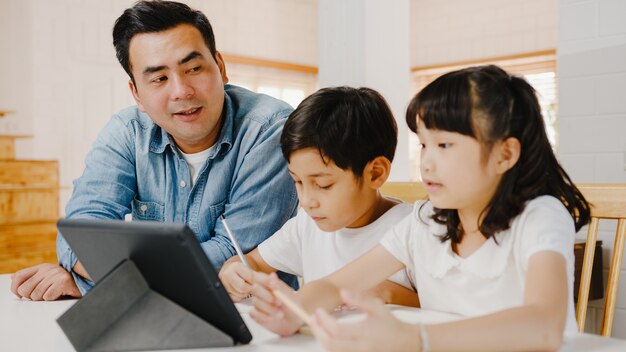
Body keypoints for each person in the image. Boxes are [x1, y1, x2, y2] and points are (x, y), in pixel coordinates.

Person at [249, 65, 591, 351]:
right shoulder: (425, 222)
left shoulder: (540, 217)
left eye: (444, 144)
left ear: (505, 154)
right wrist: (293, 310)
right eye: (424, 144)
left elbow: (544, 325)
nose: (426, 162)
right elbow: (335, 285)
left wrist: (415, 337)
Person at [10, 0, 297, 301]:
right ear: (137, 93)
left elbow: (231, 253)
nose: (182, 91)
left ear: (221, 68)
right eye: (159, 78)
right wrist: (100, 268)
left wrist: (92, 281)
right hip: (152, 318)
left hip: (260, 320)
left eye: (194, 68)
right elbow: (81, 235)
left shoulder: (270, 129)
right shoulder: (127, 132)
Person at [218, 87, 419, 307]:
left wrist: (387, 293)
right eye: (298, 182)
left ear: (376, 173)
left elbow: (446, 312)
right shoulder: (308, 226)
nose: (306, 201)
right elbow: (253, 262)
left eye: (323, 185)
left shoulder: (414, 231)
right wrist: (233, 270)